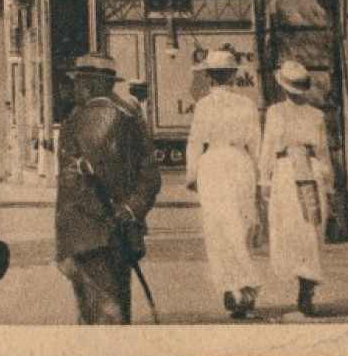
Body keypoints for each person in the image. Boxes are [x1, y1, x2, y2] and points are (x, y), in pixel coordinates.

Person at [56, 53, 162, 324]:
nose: (75, 89)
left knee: (96, 314)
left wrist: (63, 247)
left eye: (78, 83)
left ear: (90, 85)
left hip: (85, 235)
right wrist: (129, 210)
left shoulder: (72, 124)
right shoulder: (131, 119)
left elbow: (69, 190)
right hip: (123, 232)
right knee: (118, 304)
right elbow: (150, 177)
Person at [185, 48, 262, 319]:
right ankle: (245, 286)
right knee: (242, 222)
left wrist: (192, 174)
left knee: (218, 227)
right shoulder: (247, 104)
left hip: (213, 164)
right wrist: (259, 176)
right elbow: (256, 142)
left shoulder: (204, 105)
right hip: (240, 163)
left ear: (208, 76)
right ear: (232, 75)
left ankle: (231, 287)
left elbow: (195, 141)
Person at [259, 59, 333, 318]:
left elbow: (268, 148)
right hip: (305, 171)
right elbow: (323, 155)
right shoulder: (311, 114)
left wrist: (264, 180)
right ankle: (306, 287)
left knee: (297, 228)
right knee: (306, 230)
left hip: (289, 172)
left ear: (284, 87)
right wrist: (327, 183)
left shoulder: (277, 113)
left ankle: (305, 289)